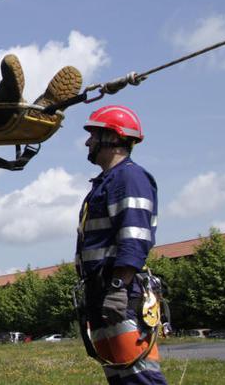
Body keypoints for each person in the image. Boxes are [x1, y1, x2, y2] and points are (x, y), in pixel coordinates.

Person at [75, 105, 167, 385]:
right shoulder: (106, 182)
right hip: (101, 292)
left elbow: (135, 237)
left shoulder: (129, 177)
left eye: (94, 135)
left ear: (113, 138)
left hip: (120, 294)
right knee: (120, 378)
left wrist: (117, 288)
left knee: (140, 378)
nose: (88, 142)